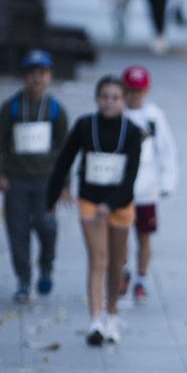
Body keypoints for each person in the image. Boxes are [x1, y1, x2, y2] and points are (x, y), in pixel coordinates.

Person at [47, 75, 144, 346]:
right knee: (98, 259)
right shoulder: (85, 126)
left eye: (115, 98)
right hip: (90, 199)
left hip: (120, 204)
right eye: (104, 97)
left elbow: (131, 177)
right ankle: (96, 320)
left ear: (123, 101)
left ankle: (113, 314)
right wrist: (52, 197)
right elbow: (63, 162)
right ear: (97, 99)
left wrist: (111, 204)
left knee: (116, 262)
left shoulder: (133, 132)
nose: (109, 103)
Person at [0, 50, 70, 302]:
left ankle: (46, 264)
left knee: (47, 226)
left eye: (42, 74)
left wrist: (64, 183)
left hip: (46, 181)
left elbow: (65, 149)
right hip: (16, 181)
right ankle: (23, 278)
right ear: (24, 77)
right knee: (17, 231)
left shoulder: (55, 109)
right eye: (32, 74)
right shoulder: (11, 107)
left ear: (50, 77)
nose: (37, 79)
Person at [119, 65, 180, 305]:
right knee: (121, 233)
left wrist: (167, 182)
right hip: (122, 187)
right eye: (130, 90)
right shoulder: (118, 113)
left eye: (139, 91)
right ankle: (123, 271)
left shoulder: (154, 116)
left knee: (144, 235)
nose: (135, 95)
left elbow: (167, 150)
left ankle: (141, 279)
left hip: (147, 188)